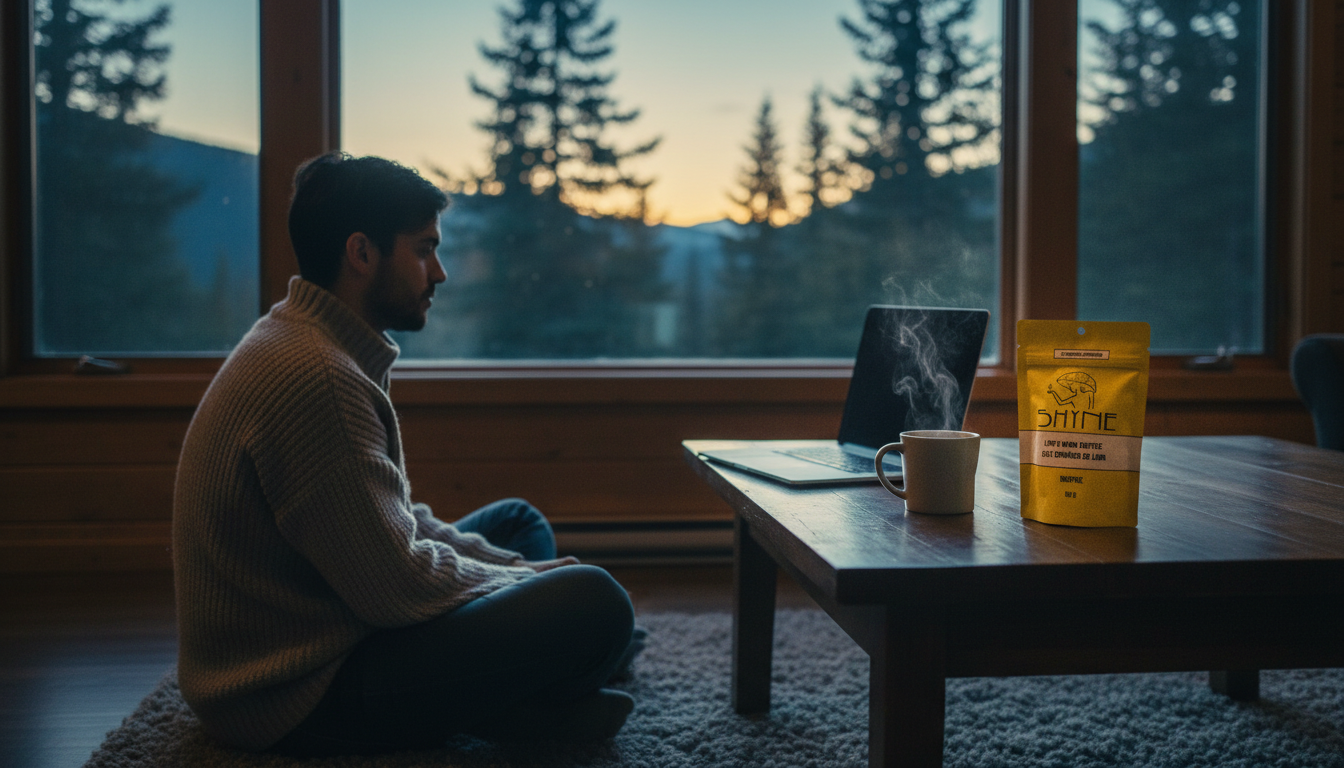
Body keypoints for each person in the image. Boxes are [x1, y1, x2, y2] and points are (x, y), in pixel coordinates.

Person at [172, 152, 638, 756]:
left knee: (518, 524)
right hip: (294, 692)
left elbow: (393, 524)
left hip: (332, 618)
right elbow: (395, 585)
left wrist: (520, 579)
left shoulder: (311, 340)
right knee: (596, 602)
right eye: (423, 250)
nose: (438, 272)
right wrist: (526, 581)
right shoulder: (317, 378)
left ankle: (523, 703)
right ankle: (524, 705)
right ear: (361, 254)